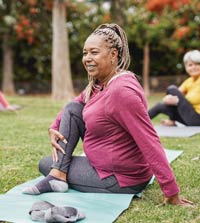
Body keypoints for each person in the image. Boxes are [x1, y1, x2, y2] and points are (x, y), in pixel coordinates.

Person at [23, 23, 193, 206]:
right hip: (103, 165)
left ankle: (57, 174)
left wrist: (171, 192)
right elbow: (75, 104)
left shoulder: (121, 92)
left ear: (113, 55)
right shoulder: (100, 83)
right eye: (84, 53)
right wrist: (54, 126)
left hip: (120, 178)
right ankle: (58, 174)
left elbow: (149, 140)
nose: (87, 58)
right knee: (73, 110)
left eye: (94, 52)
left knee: (45, 164)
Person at [148, 50, 200, 126]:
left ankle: (173, 121)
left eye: (197, 64)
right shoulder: (189, 81)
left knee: (171, 88)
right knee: (160, 106)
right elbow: (177, 94)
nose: (193, 67)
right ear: (186, 67)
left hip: (197, 119)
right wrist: (169, 98)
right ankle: (136, 123)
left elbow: (174, 92)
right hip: (190, 117)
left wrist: (175, 99)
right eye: (190, 65)